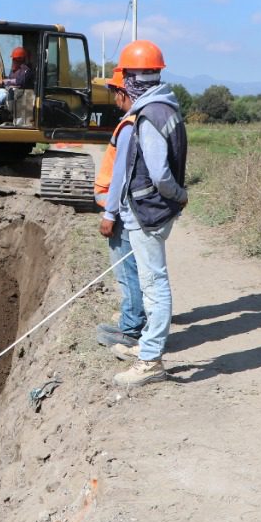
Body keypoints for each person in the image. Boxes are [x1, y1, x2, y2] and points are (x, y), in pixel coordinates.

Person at [109, 39, 188, 387]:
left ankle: (151, 360)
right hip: (153, 211)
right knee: (150, 281)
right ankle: (146, 345)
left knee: (154, 284)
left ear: (132, 78)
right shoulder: (164, 108)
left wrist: (178, 196)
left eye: (123, 76)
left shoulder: (149, 115)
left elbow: (159, 174)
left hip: (148, 212)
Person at [95, 67, 146, 350]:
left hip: (122, 210)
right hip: (133, 208)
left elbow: (120, 176)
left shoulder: (129, 125)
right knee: (134, 268)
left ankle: (130, 329)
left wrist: (109, 213)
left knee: (127, 270)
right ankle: (133, 315)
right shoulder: (143, 121)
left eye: (115, 93)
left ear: (124, 92)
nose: (113, 99)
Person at [0, 46, 33, 120]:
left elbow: (19, 81)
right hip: (7, 90)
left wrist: (3, 81)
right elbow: (9, 80)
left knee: (2, 95)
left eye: (14, 59)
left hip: (17, 94)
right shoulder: (14, 71)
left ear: (20, 59)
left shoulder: (26, 71)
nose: (13, 61)